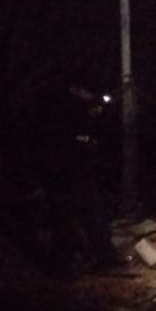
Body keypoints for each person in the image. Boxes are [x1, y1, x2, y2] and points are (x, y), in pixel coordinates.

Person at [33, 84, 122, 278]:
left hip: (79, 174)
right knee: (66, 221)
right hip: (64, 176)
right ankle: (62, 267)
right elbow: (66, 144)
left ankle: (105, 258)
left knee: (94, 217)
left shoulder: (81, 116)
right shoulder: (66, 113)